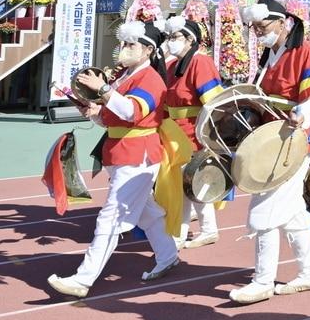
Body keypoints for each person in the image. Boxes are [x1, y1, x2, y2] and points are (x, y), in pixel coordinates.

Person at [46, 22, 180, 297]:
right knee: (148, 213)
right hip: (122, 153)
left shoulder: (150, 79)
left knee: (111, 218)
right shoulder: (128, 76)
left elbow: (131, 112)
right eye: (125, 43)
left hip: (137, 156)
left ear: (148, 50)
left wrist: (104, 90)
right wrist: (92, 111)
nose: (125, 49)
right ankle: (168, 256)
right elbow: (113, 118)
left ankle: (83, 280)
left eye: (131, 45)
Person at [231, 0, 310, 303]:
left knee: (264, 210)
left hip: (291, 143)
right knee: (295, 216)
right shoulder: (270, 54)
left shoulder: (305, 51)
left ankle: (262, 281)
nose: (258, 32)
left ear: (283, 22)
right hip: (270, 141)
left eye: (262, 26)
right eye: (254, 27)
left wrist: (302, 114)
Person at [159, 15, 224, 247]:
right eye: (169, 37)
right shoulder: (171, 65)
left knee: (192, 182)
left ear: (190, 39)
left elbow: (214, 103)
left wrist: (208, 137)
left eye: (175, 37)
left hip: (194, 133)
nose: (170, 41)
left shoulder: (200, 62)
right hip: (174, 135)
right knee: (183, 185)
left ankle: (199, 230)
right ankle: (186, 231)